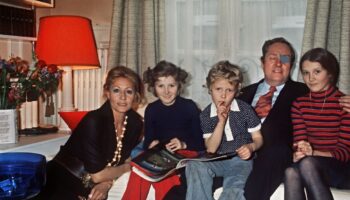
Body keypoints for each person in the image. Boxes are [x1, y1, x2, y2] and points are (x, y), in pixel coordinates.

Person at [36, 66, 144, 200]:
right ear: (108, 93)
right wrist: (127, 167)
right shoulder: (94, 120)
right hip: (60, 182)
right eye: (116, 90)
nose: (123, 97)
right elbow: (98, 174)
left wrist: (106, 183)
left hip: (89, 185)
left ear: (135, 95)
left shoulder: (135, 123)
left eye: (129, 91)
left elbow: (122, 160)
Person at [122, 60, 205, 200]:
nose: (166, 91)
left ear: (179, 86)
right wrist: (152, 144)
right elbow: (148, 140)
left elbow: (200, 144)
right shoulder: (152, 110)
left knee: (164, 173)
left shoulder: (189, 107)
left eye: (171, 85)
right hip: (162, 154)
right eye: (161, 86)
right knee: (139, 170)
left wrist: (183, 144)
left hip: (186, 154)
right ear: (154, 87)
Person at [185, 60, 263, 200]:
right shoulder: (206, 114)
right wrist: (221, 122)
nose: (223, 95)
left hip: (241, 160)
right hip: (217, 159)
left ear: (237, 90)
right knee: (194, 165)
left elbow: (258, 138)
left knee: (234, 187)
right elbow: (211, 149)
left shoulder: (244, 109)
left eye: (229, 90)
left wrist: (251, 147)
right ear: (210, 89)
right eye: (218, 89)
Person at [284, 48, 350, 200]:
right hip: (310, 164)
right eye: (306, 73)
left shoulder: (345, 104)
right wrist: (300, 152)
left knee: (307, 164)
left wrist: (312, 153)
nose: (310, 78)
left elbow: (344, 153)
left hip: (340, 169)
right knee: (290, 172)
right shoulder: (299, 105)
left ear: (330, 73)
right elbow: (300, 143)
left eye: (317, 71)